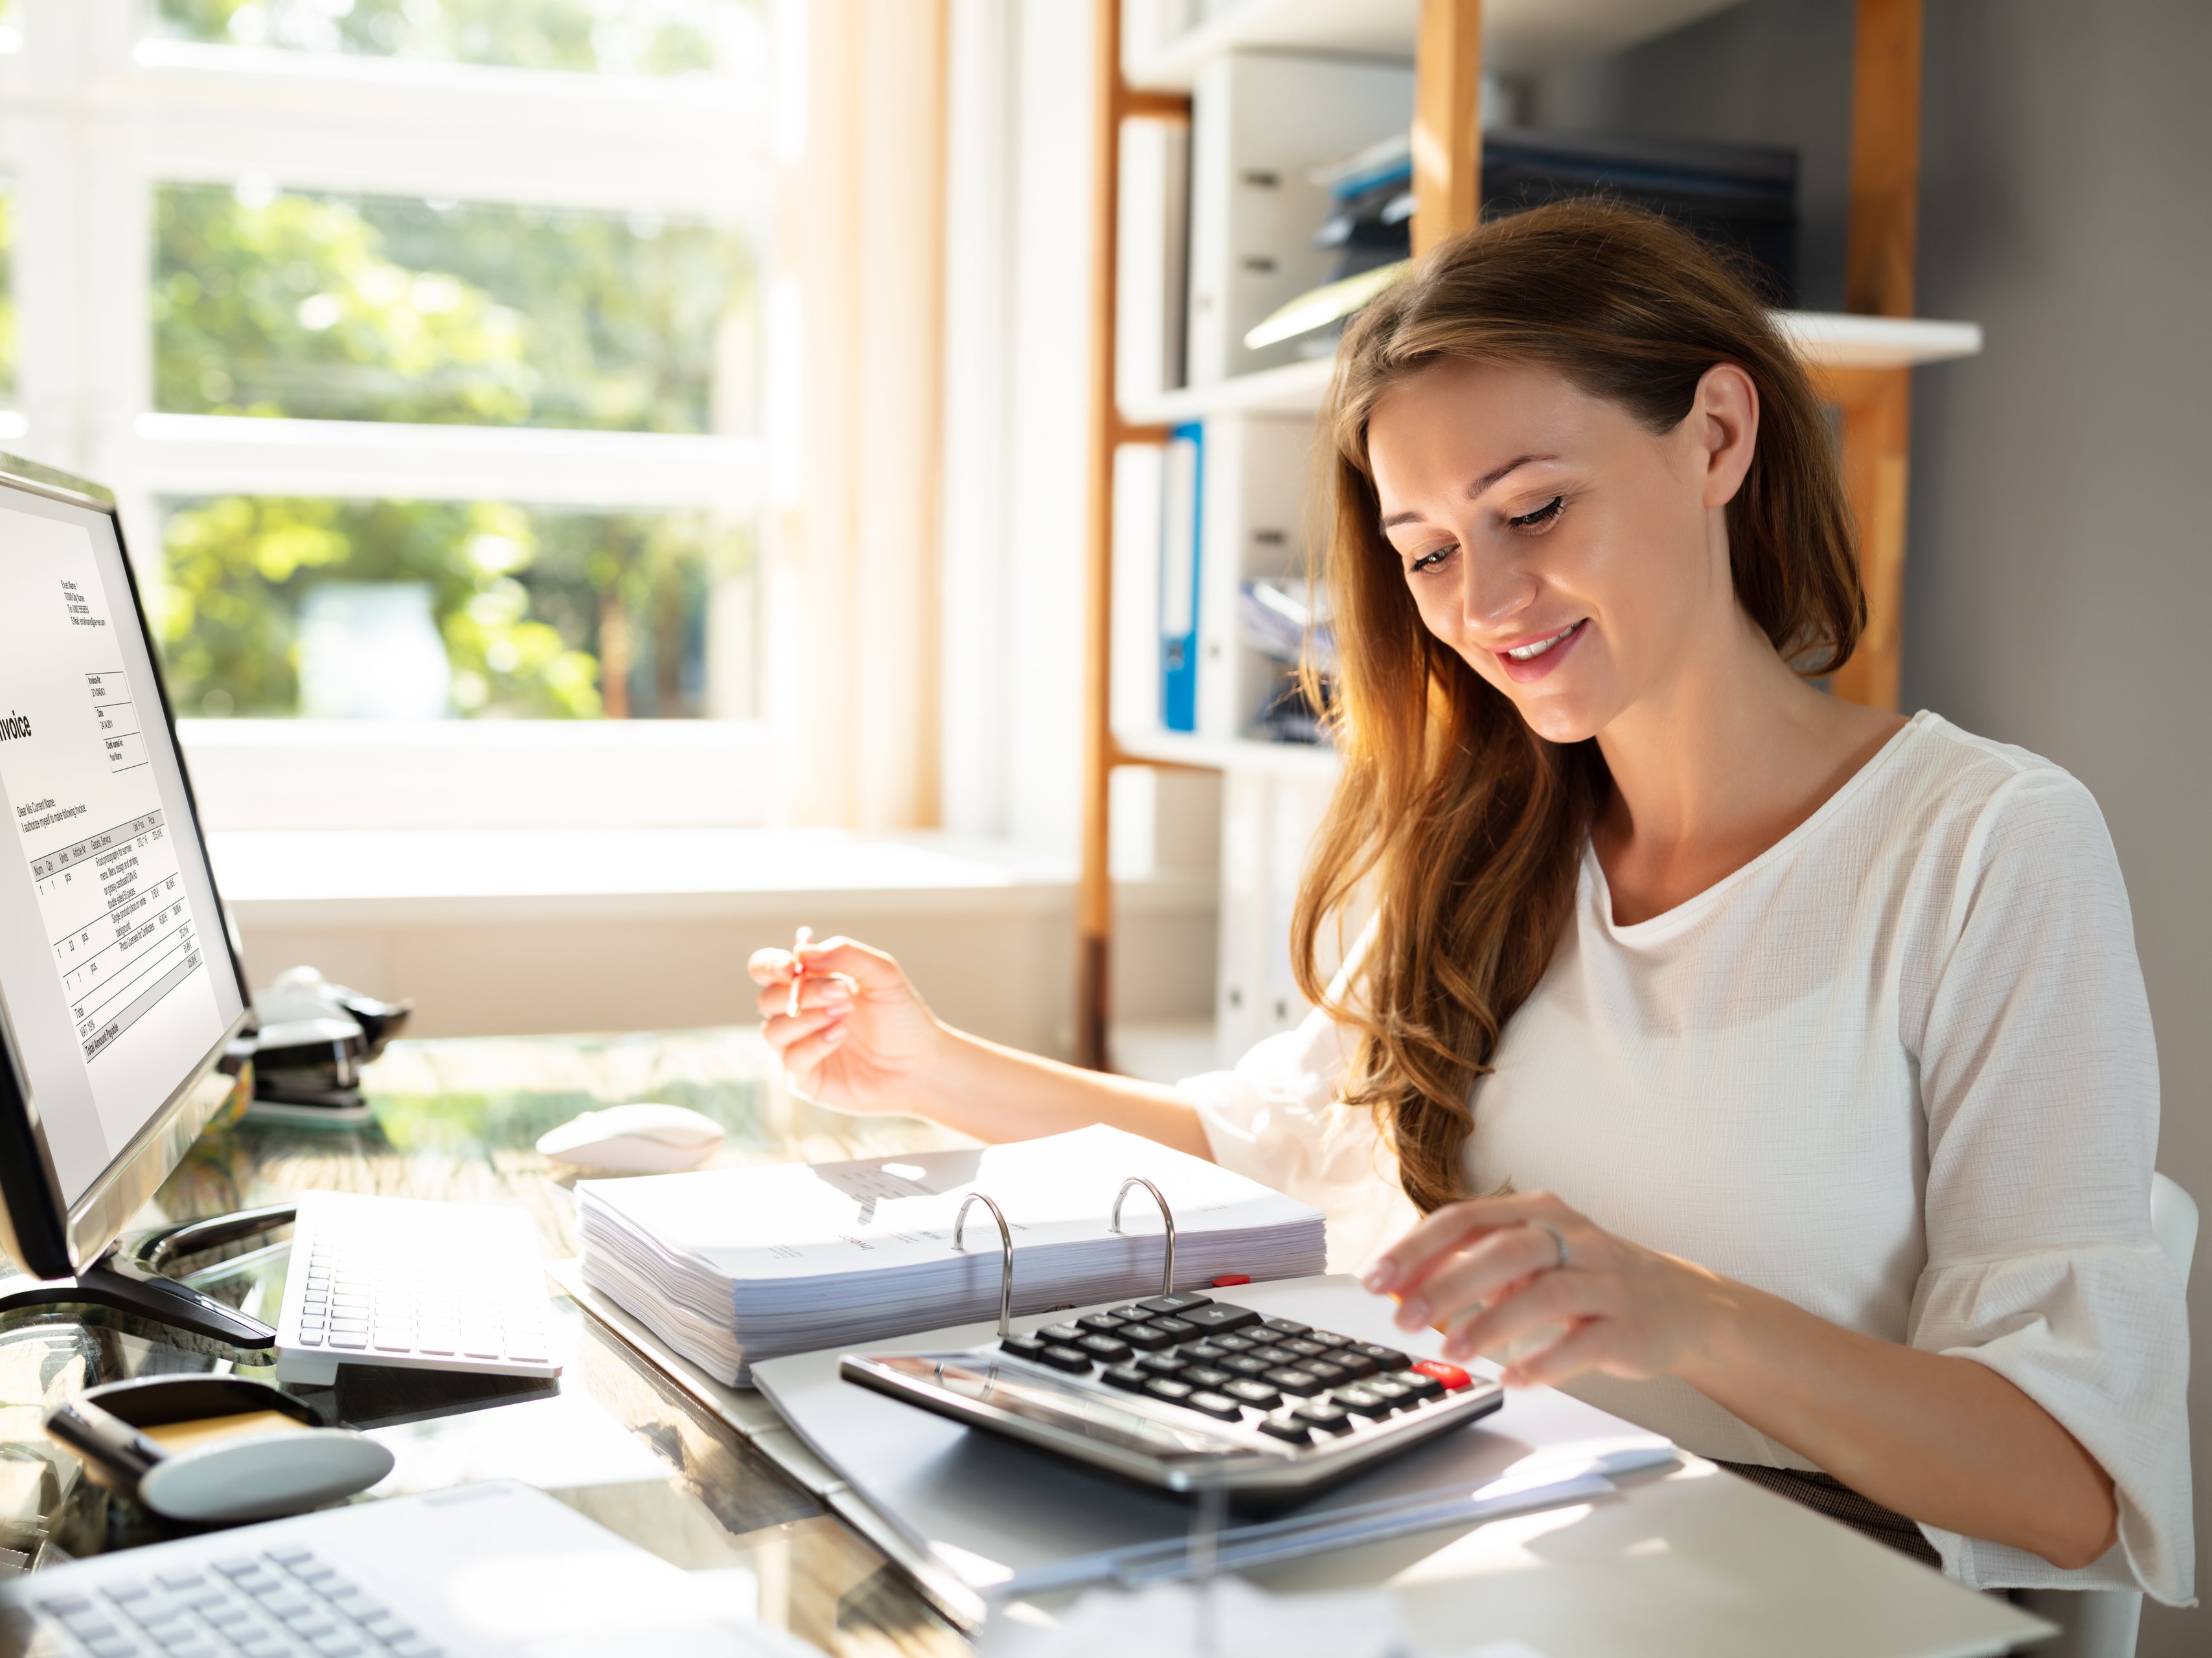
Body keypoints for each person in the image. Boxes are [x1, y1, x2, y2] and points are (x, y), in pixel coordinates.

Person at [747, 202, 2189, 1601]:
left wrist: (1682, 1309)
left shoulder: (1987, 846)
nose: (1488, 598)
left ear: (1718, 438)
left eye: (1534, 507)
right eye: (1429, 549)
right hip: (1495, 1529)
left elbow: (2068, 1483)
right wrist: (928, 1065)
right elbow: (1286, 1144)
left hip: (1792, 1583)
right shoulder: (1490, 835)